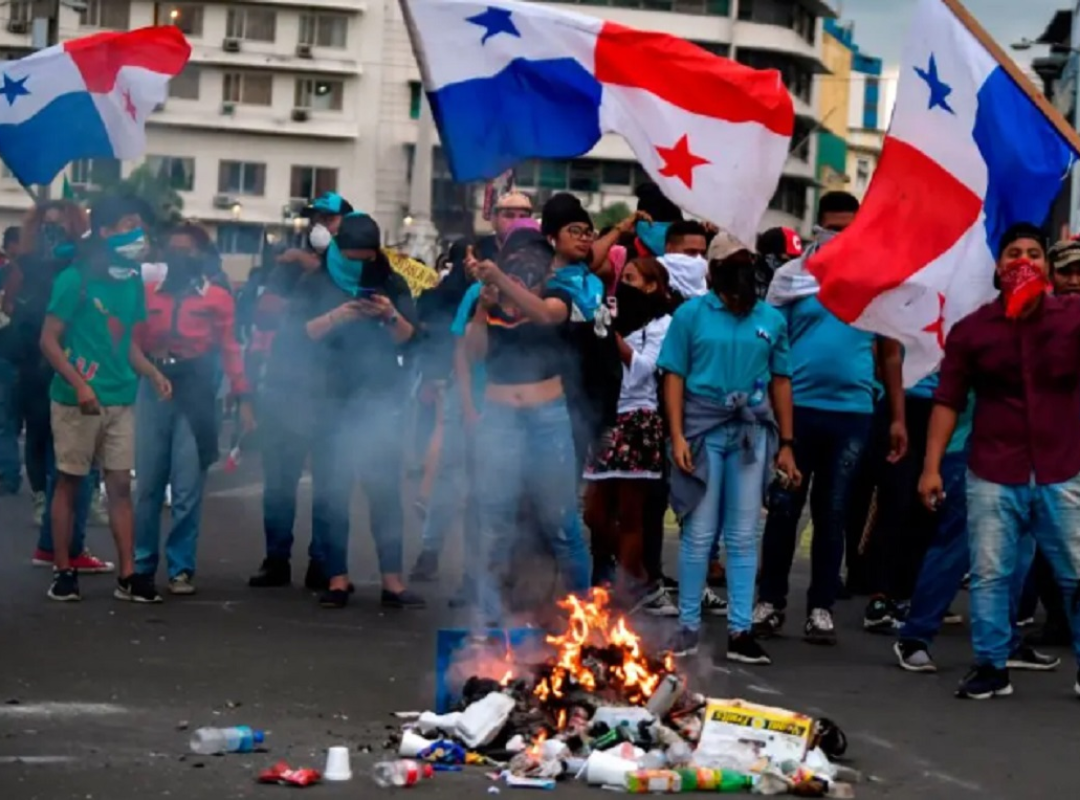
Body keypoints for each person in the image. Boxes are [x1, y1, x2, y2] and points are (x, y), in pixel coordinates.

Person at [919, 223, 1080, 700]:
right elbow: (947, 401)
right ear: (997, 267)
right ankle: (991, 666)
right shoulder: (973, 331)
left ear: (1049, 269)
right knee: (991, 573)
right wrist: (931, 467)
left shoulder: (1072, 319)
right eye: (1013, 253)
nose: (1023, 261)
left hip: (1062, 468)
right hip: (993, 469)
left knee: (1076, 573)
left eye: (1033, 252)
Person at [755, 192, 908, 645]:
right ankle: (770, 602)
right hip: (795, 413)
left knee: (834, 513)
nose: (841, 236)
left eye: (850, 227)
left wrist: (897, 417)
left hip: (854, 415)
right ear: (817, 228)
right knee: (784, 510)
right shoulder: (790, 278)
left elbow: (891, 354)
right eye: (833, 227)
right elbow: (766, 339)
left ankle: (821, 607)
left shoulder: (874, 281)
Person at [659, 246, 799, 662]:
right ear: (716, 271)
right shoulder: (691, 315)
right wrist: (678, 436)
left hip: (750, 433)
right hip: (702, 430)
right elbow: (674, 375)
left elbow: (781, 381)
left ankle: (740, 631)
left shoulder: (770, 319)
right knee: (699, 533)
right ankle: (687, 625)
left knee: (742, 536)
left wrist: (787, 445)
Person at [284, 212, 423, 609]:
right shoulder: (316, 282)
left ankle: (393, 582)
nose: (359, 266)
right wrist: (339, 315)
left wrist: (390, 315)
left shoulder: (390, 280)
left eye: (366, 258)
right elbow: (295, 338)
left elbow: (413, 340)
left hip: (380, 401)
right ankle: (337, 579)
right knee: (332, 493)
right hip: (329, 401)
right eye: (352, 257)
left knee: (385, 494)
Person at [39, 195, 172, 602]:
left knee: (119, 486)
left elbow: (126, 344)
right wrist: (80, 384)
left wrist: (151, 372)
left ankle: (129, 576)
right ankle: (63, 570)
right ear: (106, 232)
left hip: (121, 398)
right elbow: (48, 341)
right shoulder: (74, 280)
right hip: (76, 400)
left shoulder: (131, 280)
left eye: (140, 225)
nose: (139, 234)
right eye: (128, 225)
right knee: (70, 482)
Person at [466, 213, 594, 627]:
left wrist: (502, 283)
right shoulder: (486, 293)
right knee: (496, 522)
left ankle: (582, 620)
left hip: (548, 418)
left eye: (534, 256)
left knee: (561, 523)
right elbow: (473, 354)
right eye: (517, 256)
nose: (526, 264)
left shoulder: (560, 289)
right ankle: (487, 621)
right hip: (499, 417)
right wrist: (483, 309)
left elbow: (545, 315)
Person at [132, 224, 254, 597]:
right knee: (149, 484)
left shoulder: (218, 297)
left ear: (201, 255)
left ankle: (181, 567)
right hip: (153, 384)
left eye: (187, 249)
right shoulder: (147, 292)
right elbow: (132, 341)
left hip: (197, 389)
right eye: (172, 248)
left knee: (187, 486)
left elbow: (231, 348)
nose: (178, 255)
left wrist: (242, 395)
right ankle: (141, 565)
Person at [583, 257, 672, 611]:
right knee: (594, 512)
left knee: (633, 513)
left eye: (632, 279)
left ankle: (623, 591)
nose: (624, 284)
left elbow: (645, 371)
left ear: (650, 285)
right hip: (605, 417)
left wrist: (614, 341)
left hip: (638, 419)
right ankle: (637, 576)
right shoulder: (612, 313)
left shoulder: (664, 323)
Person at [0, 225, 20, 494]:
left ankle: (9, 473)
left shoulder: (13, 273)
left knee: (6, 418)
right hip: (10, 352)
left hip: (10, 352)